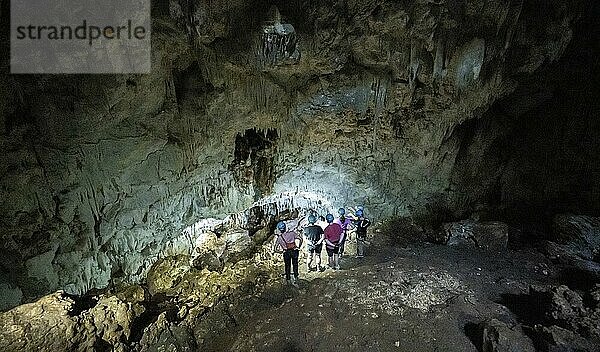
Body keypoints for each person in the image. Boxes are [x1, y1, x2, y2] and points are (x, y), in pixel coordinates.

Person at [273, 221, 303, 287]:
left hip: (286, 252)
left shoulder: (279, 238)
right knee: (295, 264)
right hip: (294, 251)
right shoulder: (292, 233)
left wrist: (280, 252)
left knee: (287, 266)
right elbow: (300, 239)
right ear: (285, 227)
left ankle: (288, 280)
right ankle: (296, 277)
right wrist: (298, 246)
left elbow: (275, 249)